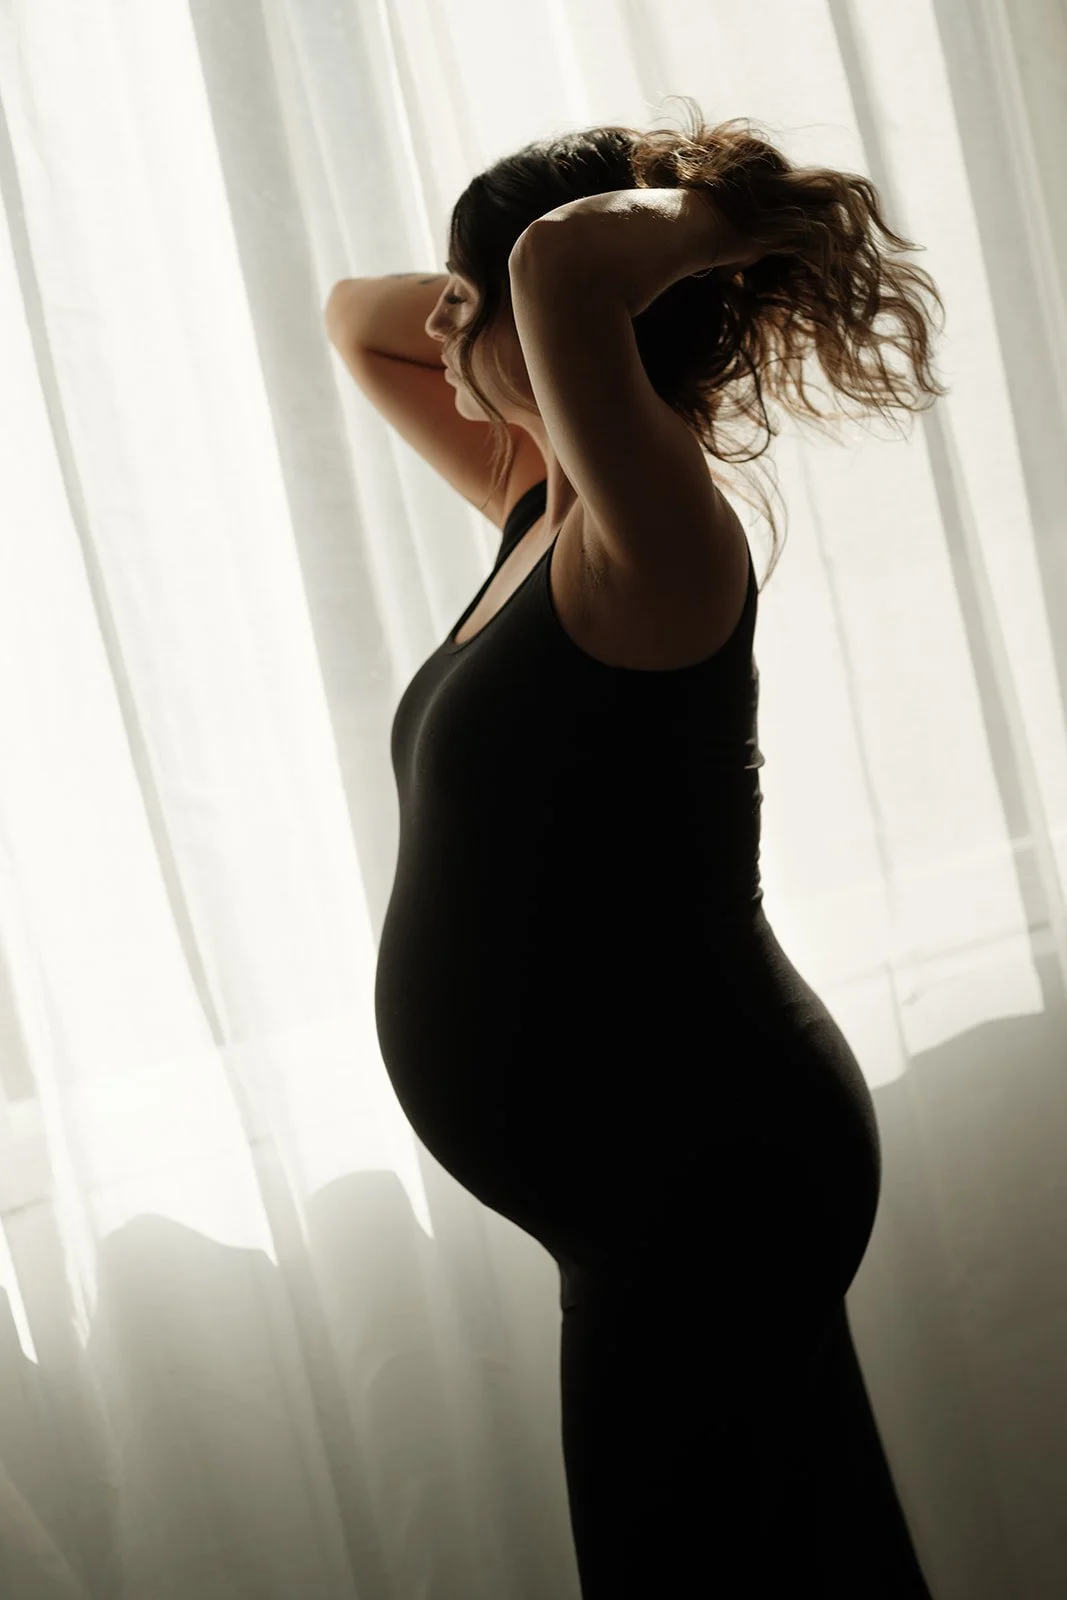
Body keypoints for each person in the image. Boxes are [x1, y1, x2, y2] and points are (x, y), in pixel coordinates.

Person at [368, 100, 946, 1598]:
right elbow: (356, 322)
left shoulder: (660, 541)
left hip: (708, 1179)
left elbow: (557, 269)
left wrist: (737, 221)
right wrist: (474, 282)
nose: (436, 318)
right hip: (653, 1191)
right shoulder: (534, 501)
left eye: (464, 294)